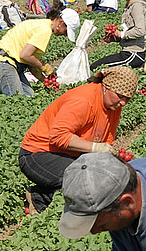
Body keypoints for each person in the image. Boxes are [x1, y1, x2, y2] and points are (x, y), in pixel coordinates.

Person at [19, 67, 137, 213]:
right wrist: (95, 148)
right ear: (106, 87)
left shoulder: (113, 107)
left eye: (127, 99)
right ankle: (39, 199)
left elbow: (106, 142)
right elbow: (58, 136)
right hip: (37, 154)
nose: (123, 102)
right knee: (82, 180)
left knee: (99, 178)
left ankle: (46, 192)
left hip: (69, 154)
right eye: (120, 96)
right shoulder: (84, 100)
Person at [0, 3, 79, 96]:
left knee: (29, 95)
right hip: (3, 62)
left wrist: (42, 78)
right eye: (66, 31)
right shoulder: (44, 30)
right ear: (61, 22)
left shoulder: (43, 24)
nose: (64, 35)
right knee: (17, 99)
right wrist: (44, 67)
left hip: (12, 63)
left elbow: (29, 61)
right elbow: (25, 55)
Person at [92, 0, 146, 70]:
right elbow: (129, 32)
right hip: (127, 52)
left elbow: (140, 31)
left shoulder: (137, 6)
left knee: (97, 68)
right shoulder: (128, 6)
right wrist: (114, 38)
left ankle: (140, 66)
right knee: (96, 66)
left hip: (134, 54)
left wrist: (121, 34)